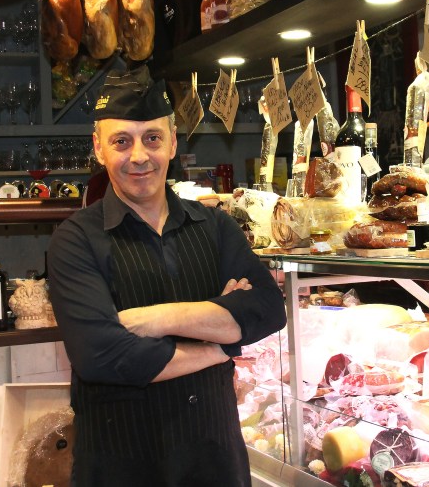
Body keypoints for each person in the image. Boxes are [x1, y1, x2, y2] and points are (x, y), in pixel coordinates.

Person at [48, 66, 286, 487]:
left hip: (215, 464)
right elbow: (102, 355)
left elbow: (267, 310)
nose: (139, 155)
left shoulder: (216, 227)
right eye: (121, 141)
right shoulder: (74, 240)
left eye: (152, 138)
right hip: (123, 466)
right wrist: (220, 344)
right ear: (99, 149)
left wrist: (158, 319)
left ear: (173, 143)